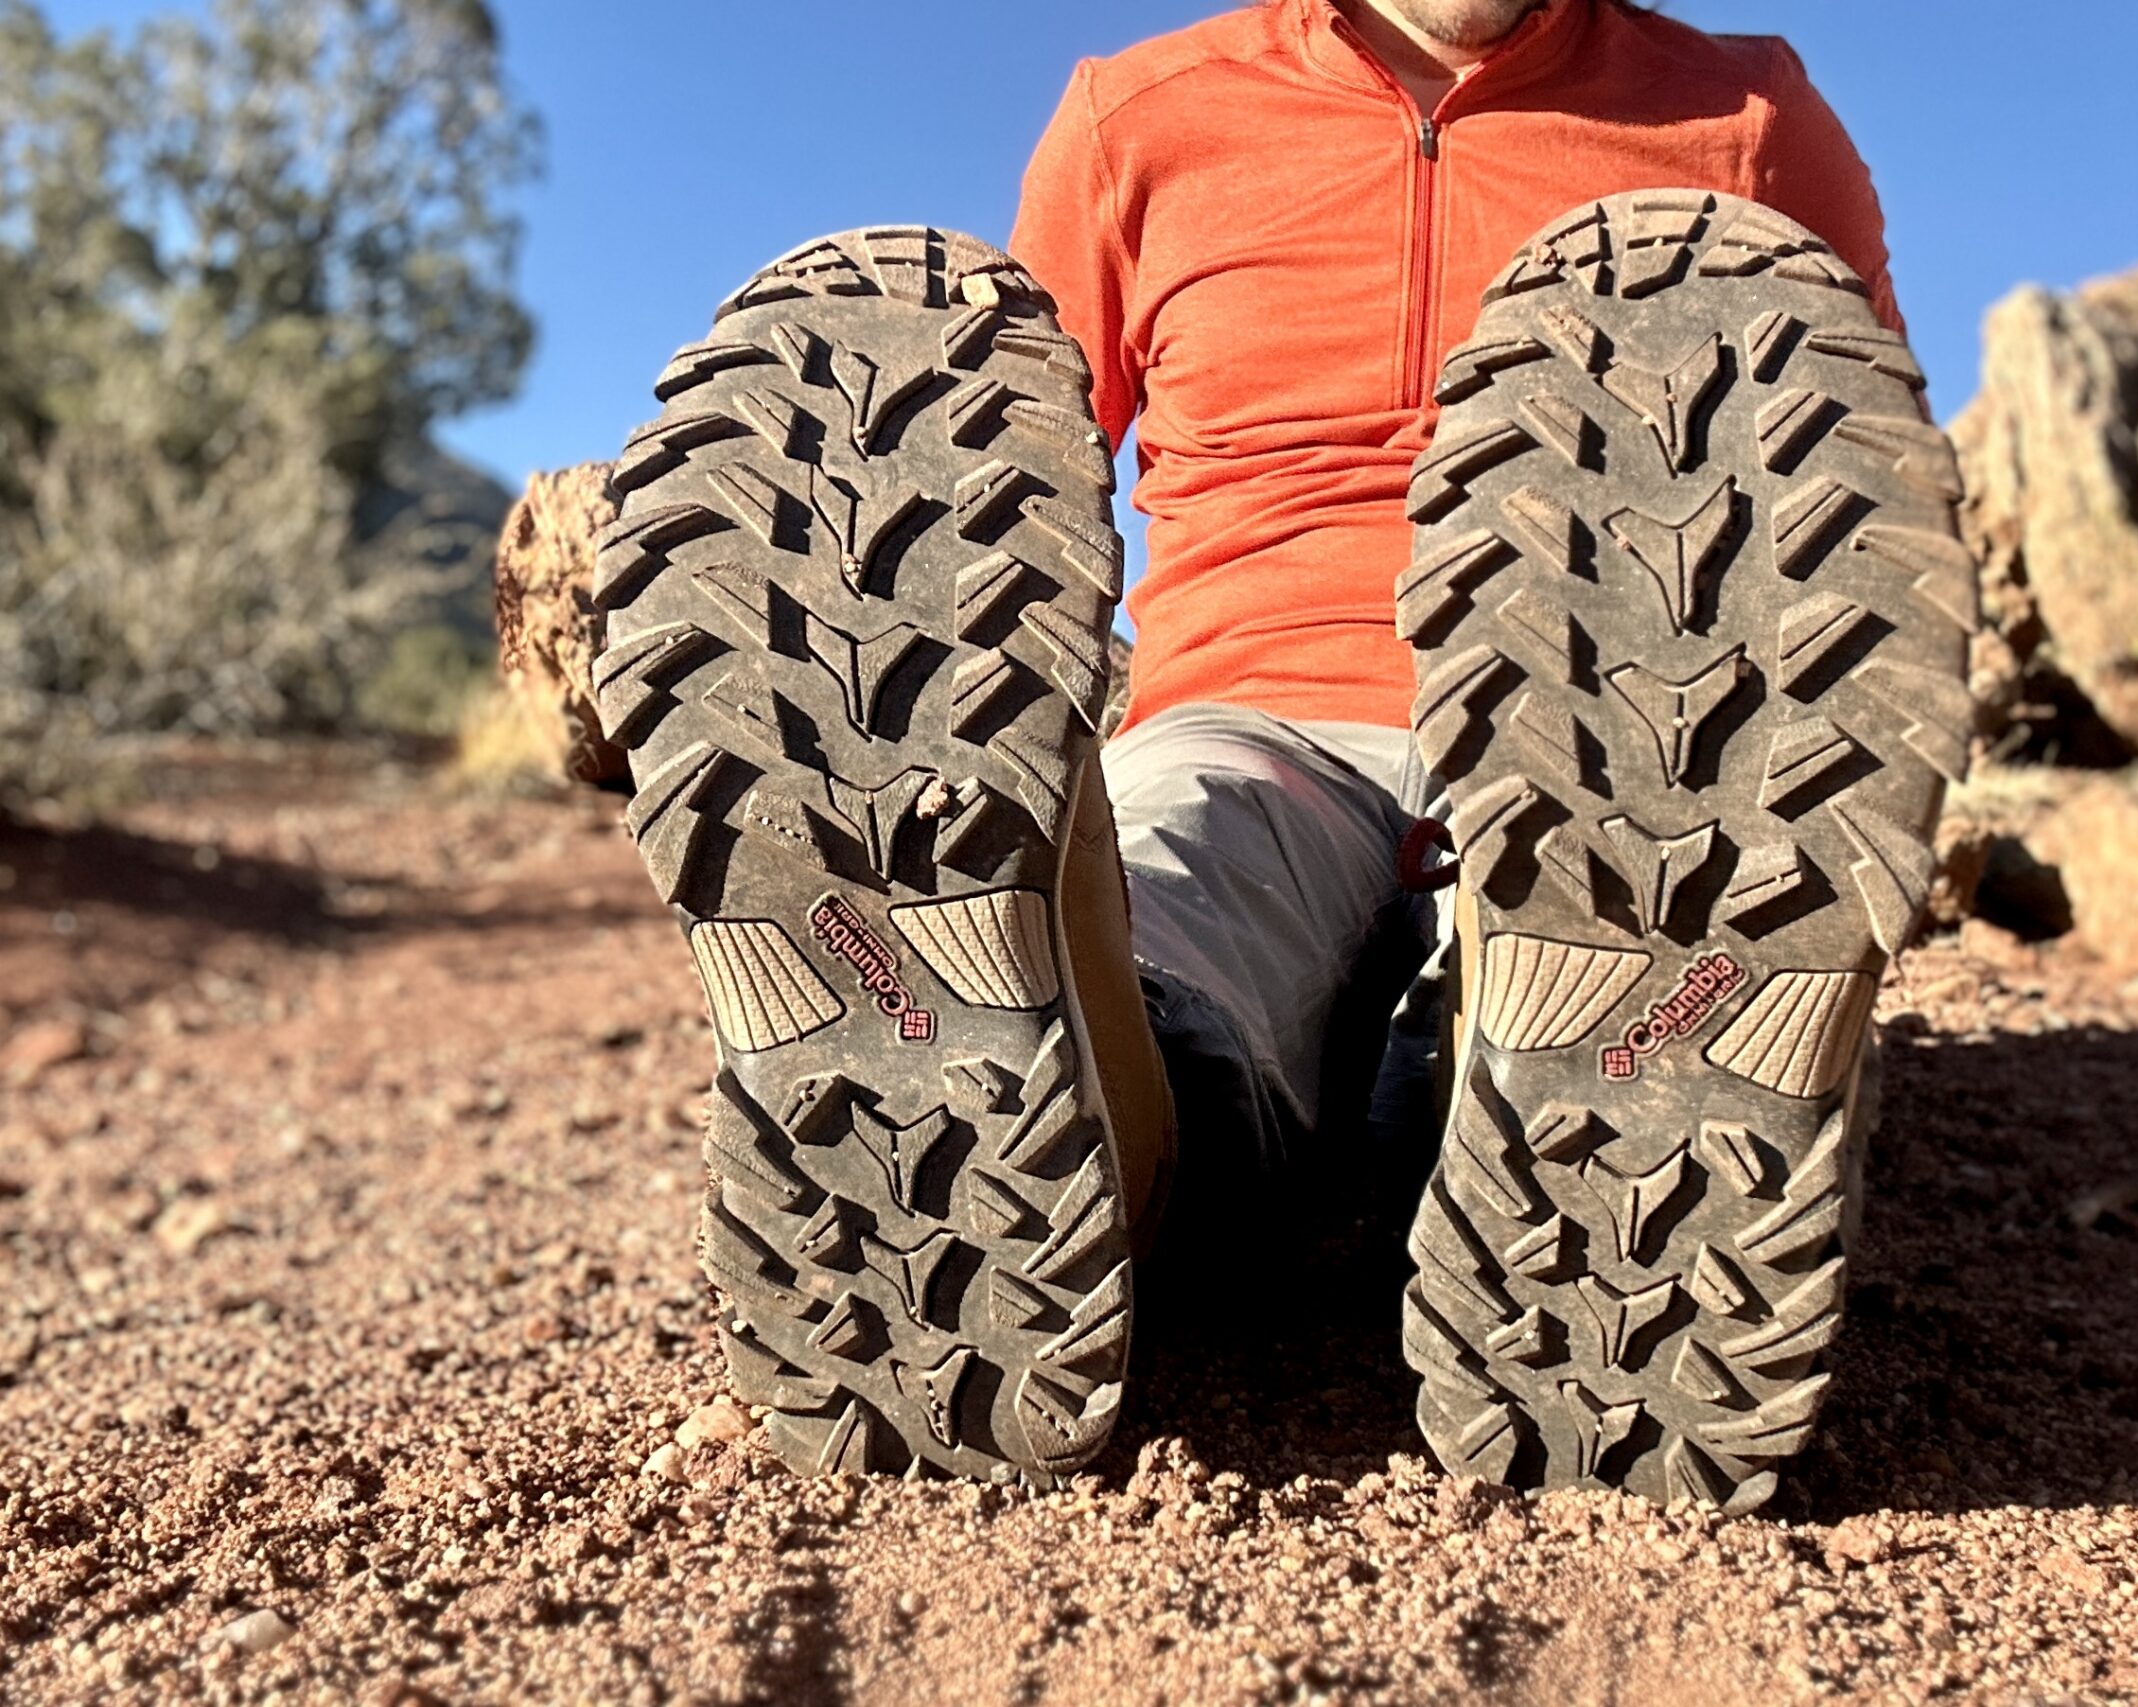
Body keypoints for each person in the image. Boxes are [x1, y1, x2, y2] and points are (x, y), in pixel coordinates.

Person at [600, 0, 1968, 1508]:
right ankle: (1018, 1094)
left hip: (1599, 740)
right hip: (1251, 708)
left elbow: (1856, 535)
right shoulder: (1143, 118)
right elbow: (989, 518)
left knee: (1627, 884)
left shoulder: (1743, 120)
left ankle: (1566, 1080)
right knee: (1168, 908)